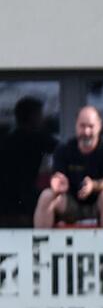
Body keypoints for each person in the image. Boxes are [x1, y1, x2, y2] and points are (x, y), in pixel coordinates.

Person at [32, 106, 103, 228]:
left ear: (99, 126)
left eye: (90, 126)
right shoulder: (64, 149)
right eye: (82, 126)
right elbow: (57, 176)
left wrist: (93, 185)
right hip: (70, 205)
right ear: (76, 125)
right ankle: (41, 245)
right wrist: (58, 184)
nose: (86, 132)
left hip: (98, 205)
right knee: (47, 195)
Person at [0, 96, 59, 227]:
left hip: (8, 199)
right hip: (21, 198)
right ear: (32, 116)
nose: (42, 119)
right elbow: (64, 150)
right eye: (40, 114)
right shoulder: (36, 139)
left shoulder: (7, 140)